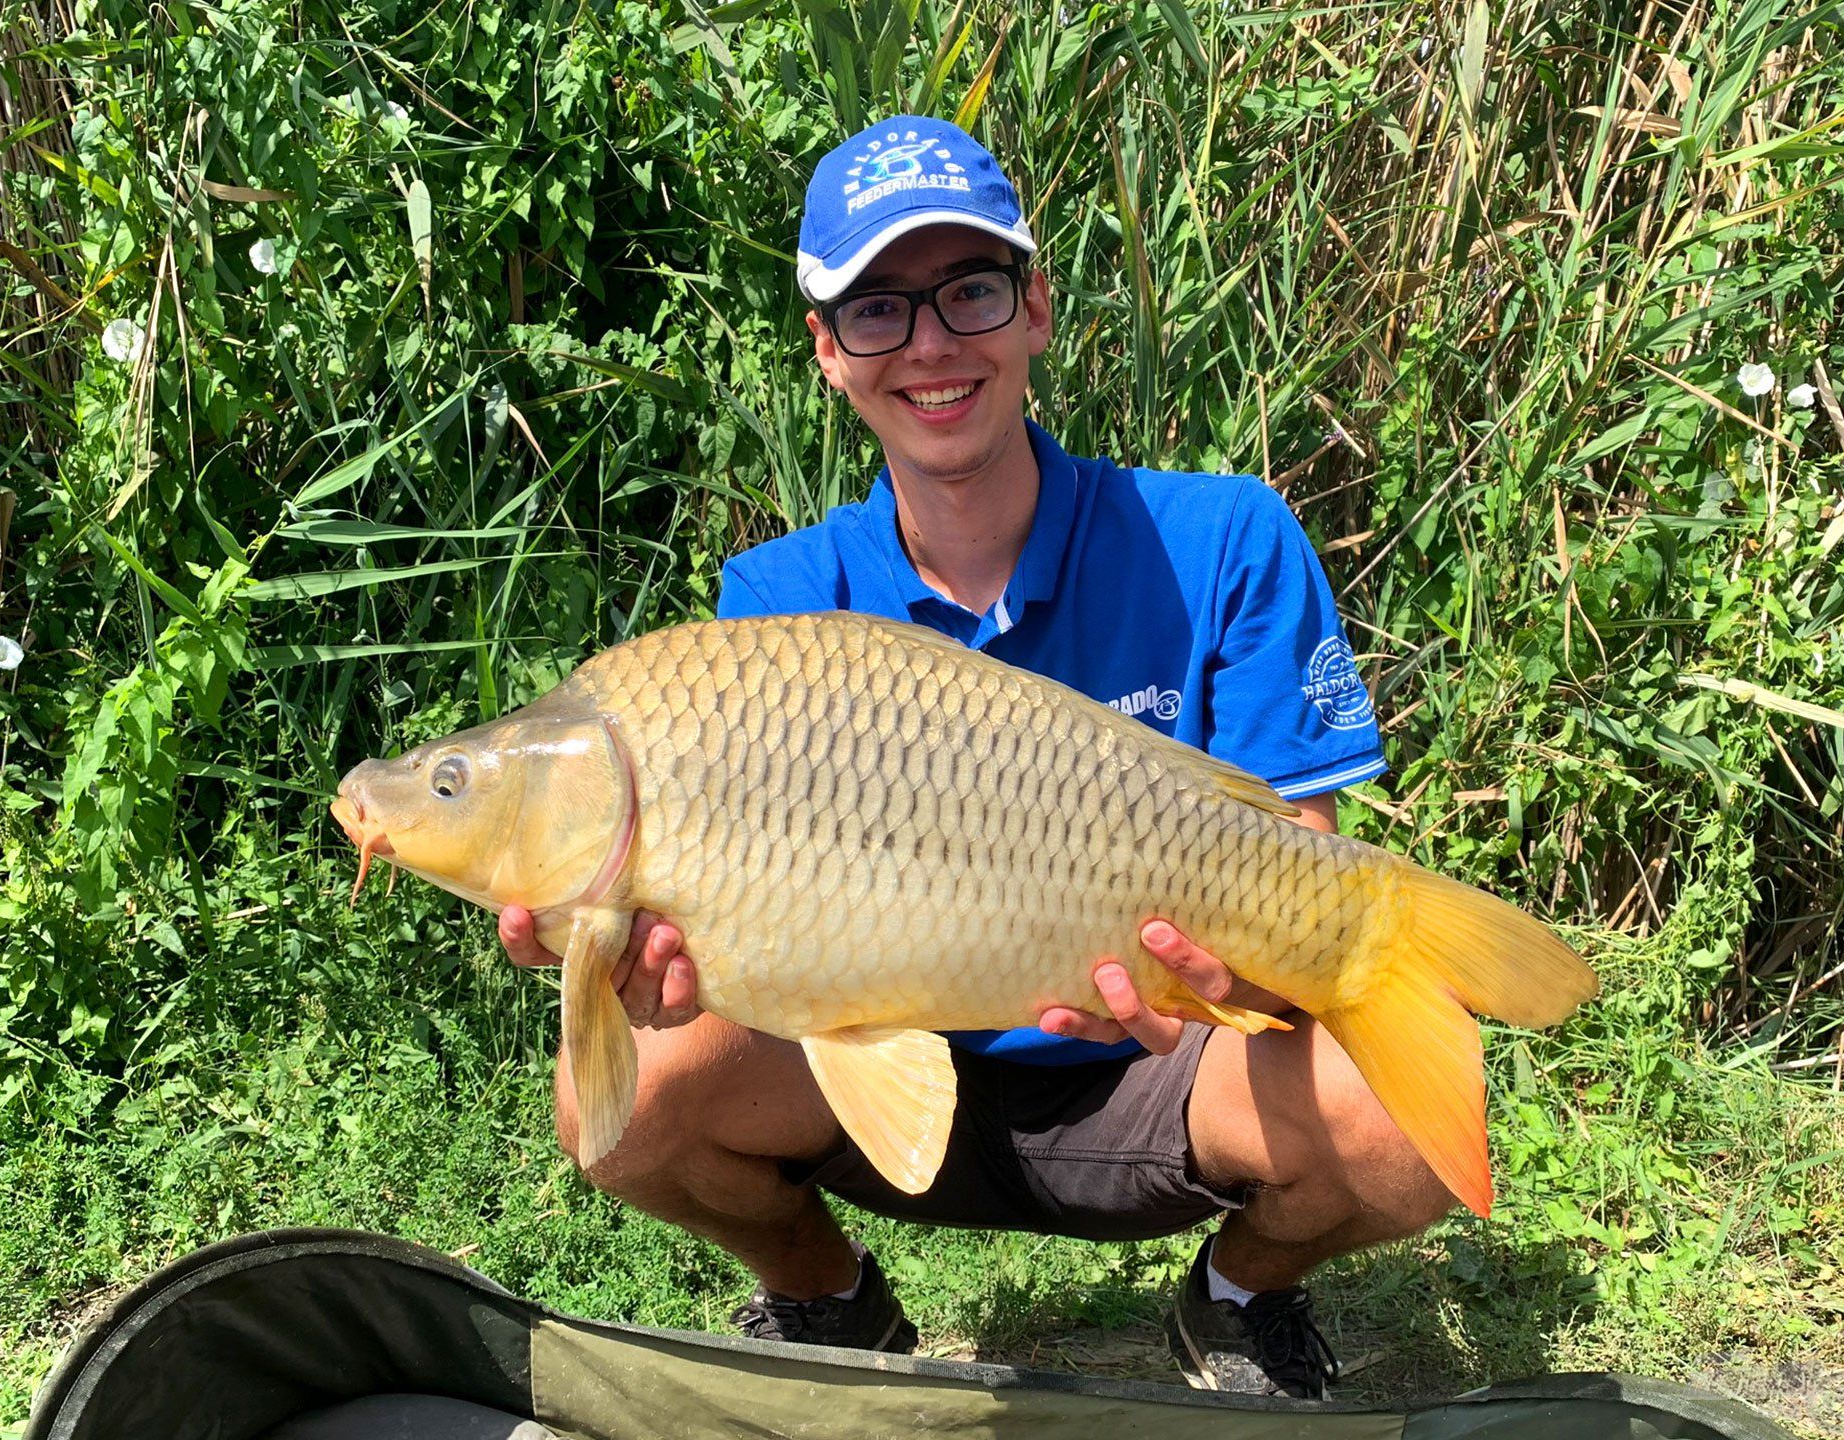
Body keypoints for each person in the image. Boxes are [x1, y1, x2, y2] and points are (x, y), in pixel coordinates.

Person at [499, 115, 1453, 1399]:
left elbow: (1303, 886)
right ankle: (824, 1295)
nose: (934, 343)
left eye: (971, 290)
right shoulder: (777, 604)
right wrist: (669, 979)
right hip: (889, 1074)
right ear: (829, 353)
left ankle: (1240, 1298)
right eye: (881, 309)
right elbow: (743, 946)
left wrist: (1229, 974)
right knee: (616, 1091)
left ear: (1036, 308)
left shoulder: (1224, 537)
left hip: (1157, 1068)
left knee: (1403, 1119)